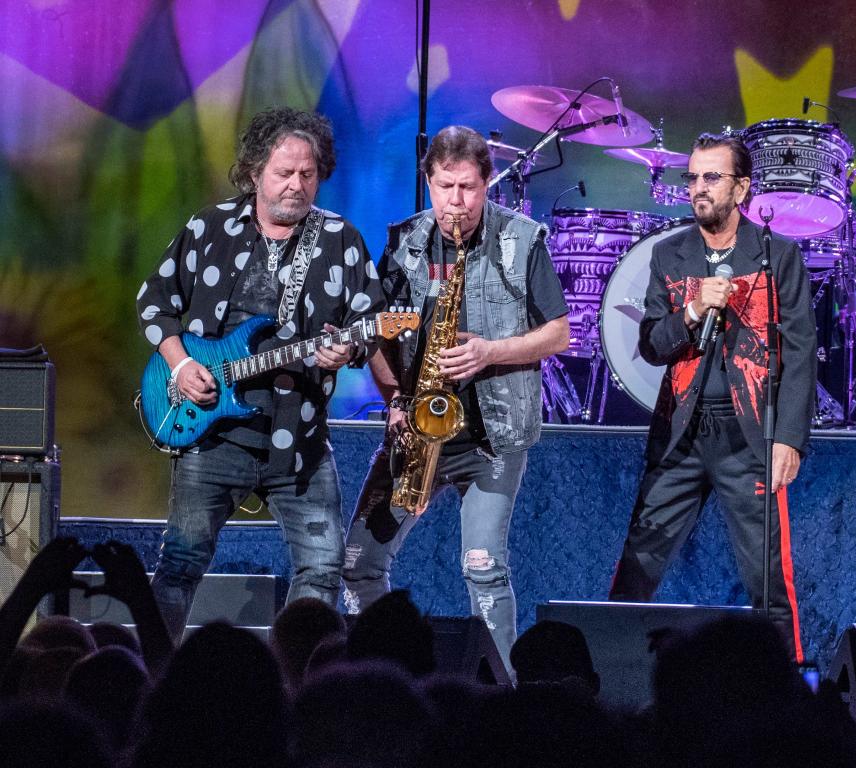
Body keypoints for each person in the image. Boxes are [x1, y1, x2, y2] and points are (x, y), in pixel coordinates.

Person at [136, 107, 385, 641]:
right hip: (211, 432)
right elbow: (154, 303)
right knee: (179, 566)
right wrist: (181, 366)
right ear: (254, 172)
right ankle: (150, 681)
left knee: (321, 569)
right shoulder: (208, 229)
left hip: (299, 438)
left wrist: (348, 352)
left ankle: (298, 686)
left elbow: (370, 323)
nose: (297, 185)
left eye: (308, 174)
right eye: (284, 173)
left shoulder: (340, 240)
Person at [341, 125, 569, 668]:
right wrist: (395, 399)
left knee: (483, 566)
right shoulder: (403, 243)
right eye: (445, 188)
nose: (456, 203)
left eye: (468, 188)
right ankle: (391, 678)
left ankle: (500, 696)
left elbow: (558, 333)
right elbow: (374, 332)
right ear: (428, 182)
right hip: (417, 431)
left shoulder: (522, 239)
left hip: (492, 435)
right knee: (357, 564)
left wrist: (490, 352)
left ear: (488, 183)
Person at [608, 132, 817, 662]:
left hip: (750, 436)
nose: (698, 188)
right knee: (636, 570)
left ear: (741, 188)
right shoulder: (669, 254)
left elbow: (799, 351)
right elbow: (652, 345)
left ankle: (787, 695)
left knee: (768, 580)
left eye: (711, 178)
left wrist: (789, 437)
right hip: (682, 432)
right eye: (693, 178)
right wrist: (694, 312)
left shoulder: (776, 255)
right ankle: (610, 686)